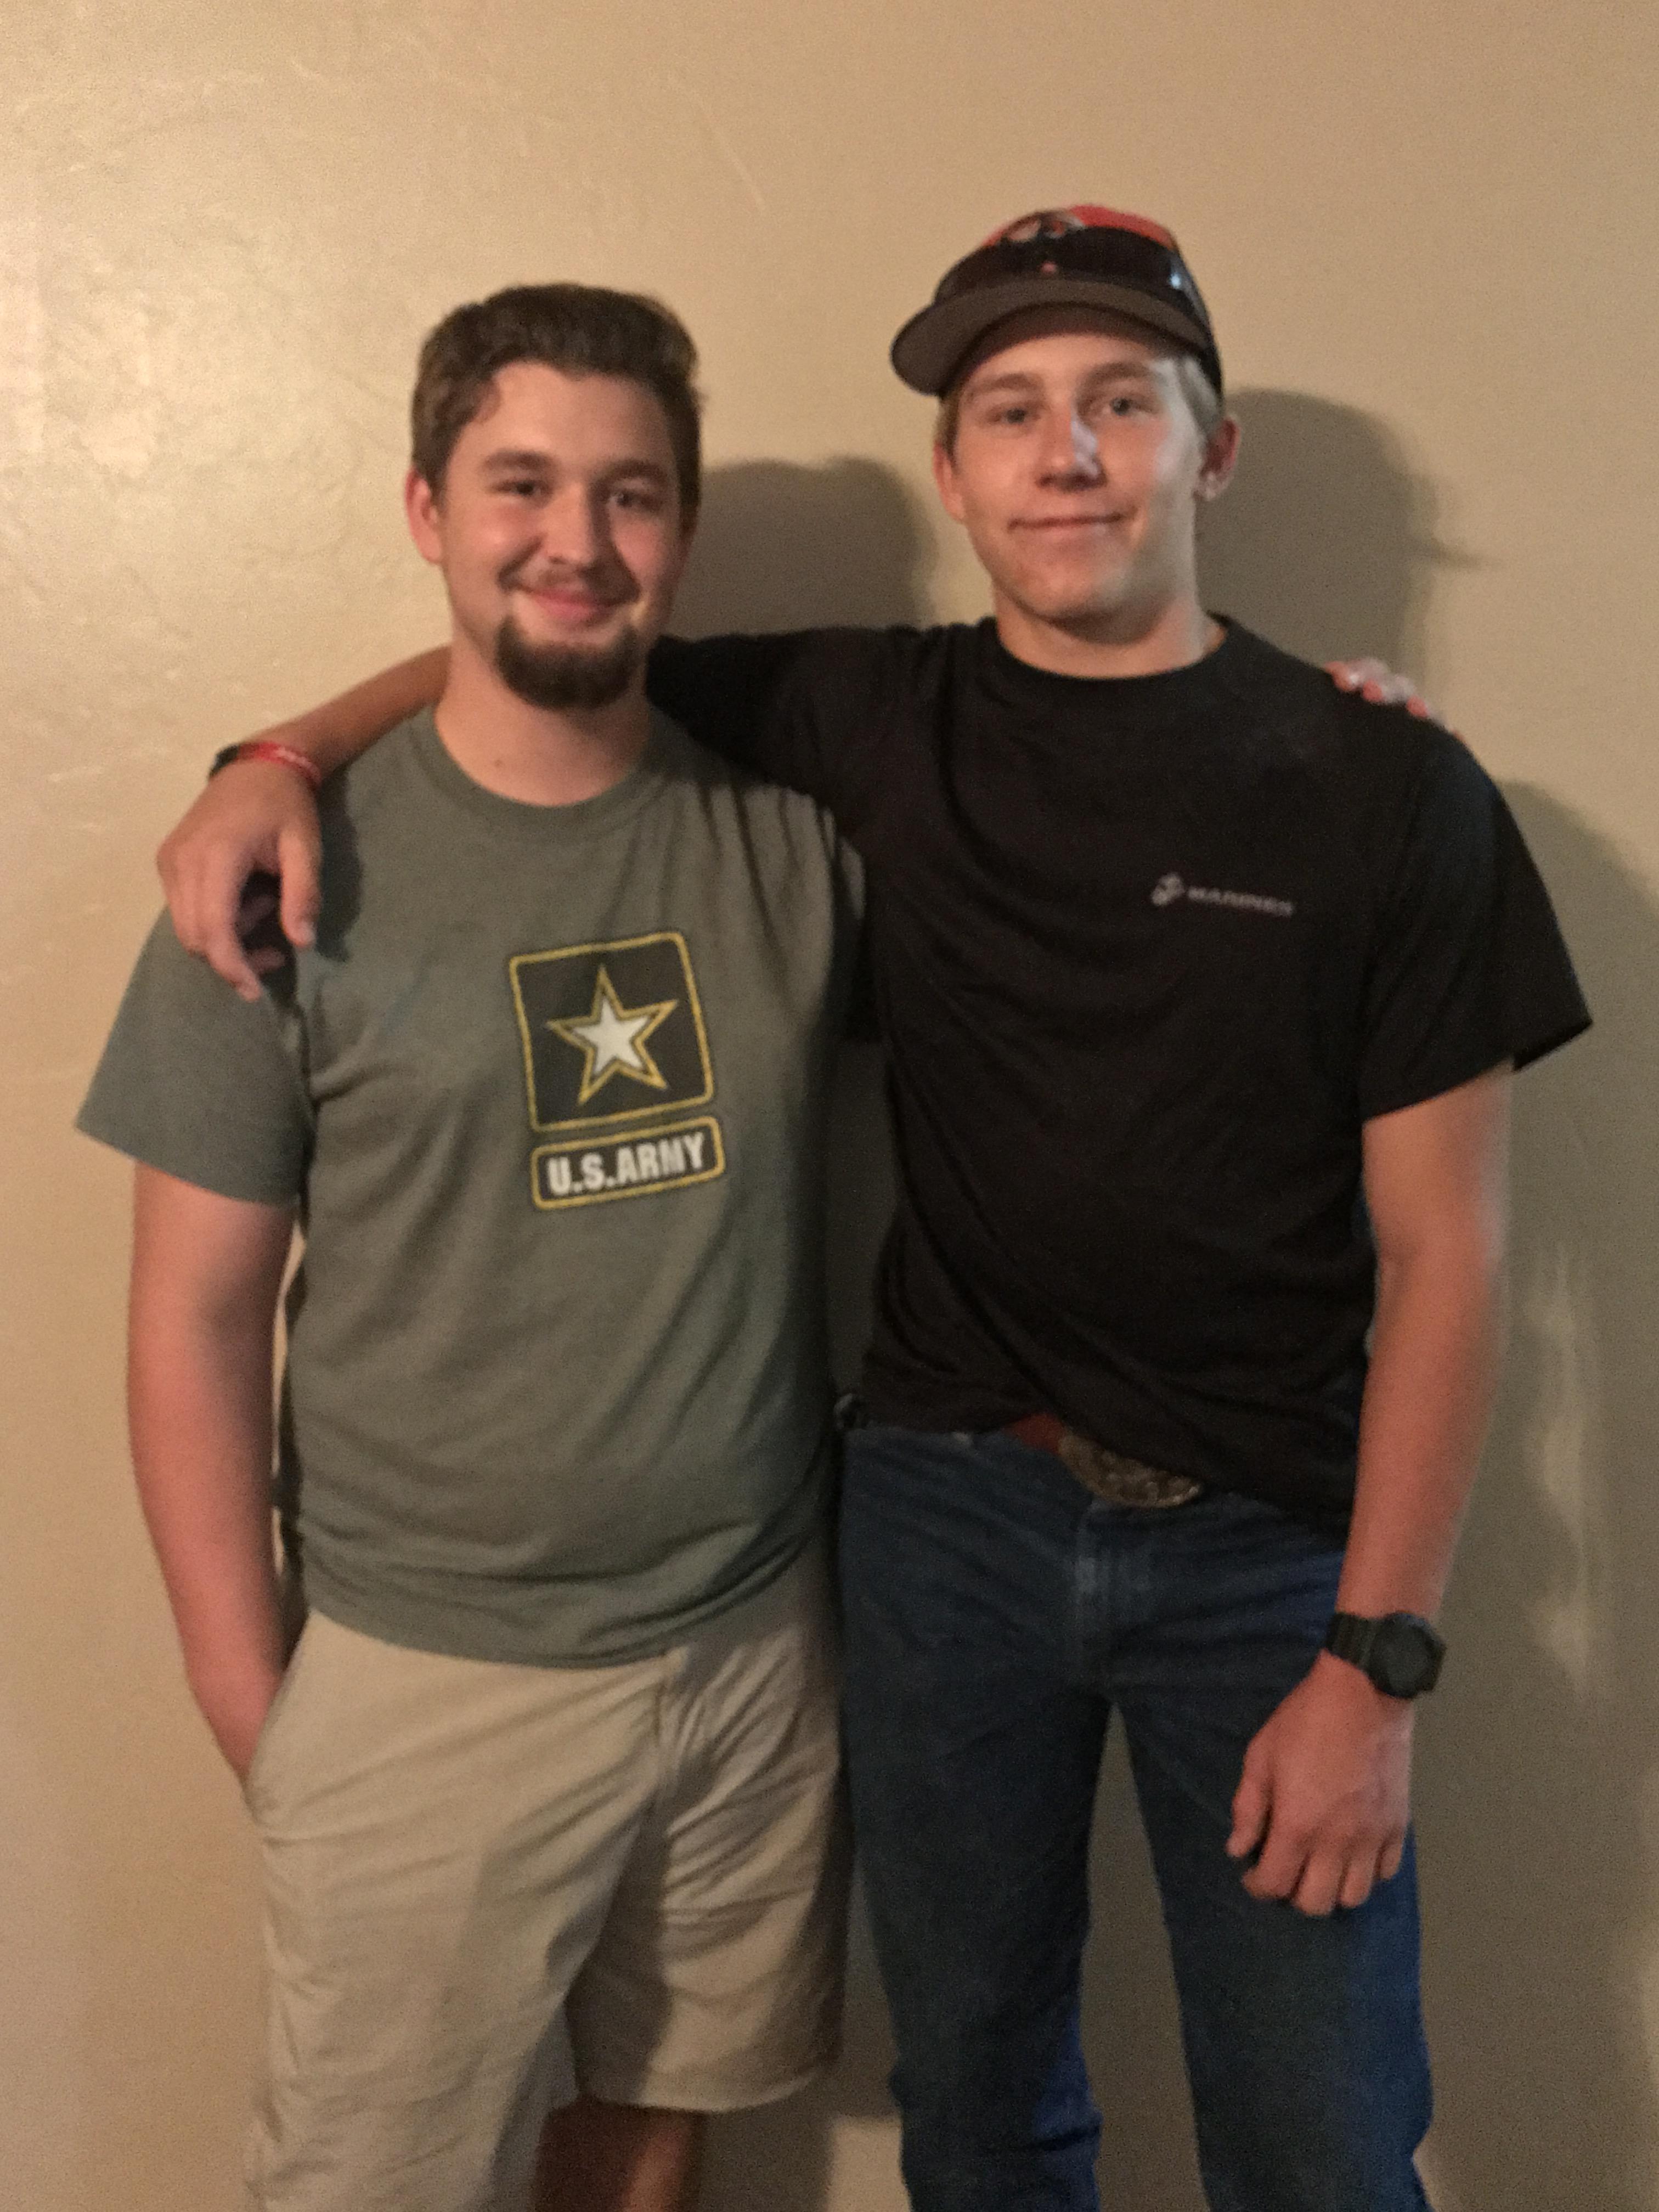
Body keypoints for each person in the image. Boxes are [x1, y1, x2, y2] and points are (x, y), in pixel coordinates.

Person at [152, 208, 1590, 2211]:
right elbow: (553, 635)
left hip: (1276, 1558)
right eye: (1012, 411)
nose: (1066, 453)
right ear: (954, 471)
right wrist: (278, 752)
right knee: (979, 2111)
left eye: (1119, 405)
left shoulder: (1386, 794)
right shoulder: (854, 725)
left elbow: (1455, 1255)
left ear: (1212, 450)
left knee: (1323, 2134)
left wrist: (1382, 1652)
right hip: (944, 1527)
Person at [78, 284, 863, 2212]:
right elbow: (192, 1319)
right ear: (428, 510)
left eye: (632, 494)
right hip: (425, 1668)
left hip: (753, 1648)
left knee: (657, 2134)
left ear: (680, 528)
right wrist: (255, 1699)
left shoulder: (792, 844)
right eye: (522, 484)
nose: (577, 543)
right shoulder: (274, 884)